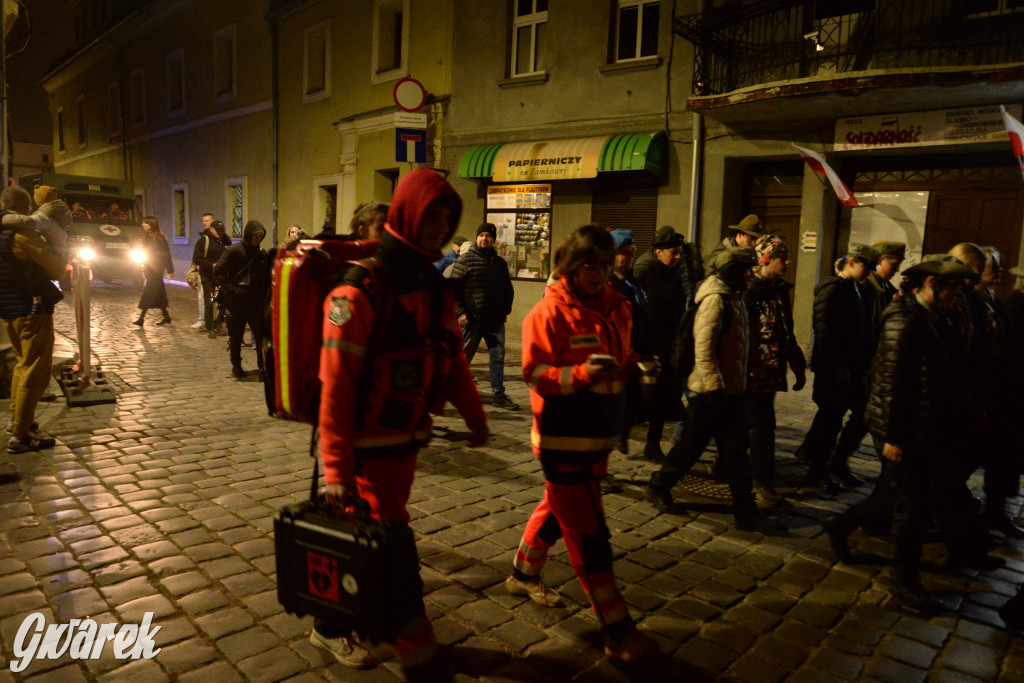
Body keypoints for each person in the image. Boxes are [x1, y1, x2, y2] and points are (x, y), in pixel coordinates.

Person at [313, 168, 488, 680]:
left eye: (446, 216)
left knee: (361, 544)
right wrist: (336, 471)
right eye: (430, 214)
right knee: (392, 550)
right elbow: (337, 385)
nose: (438, 226)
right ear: (408, 212)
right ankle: (420, 654)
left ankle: (328, 623)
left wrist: (475, 418)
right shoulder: (359, 288)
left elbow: (451, 360)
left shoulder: (433, 284)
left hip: (405, 445)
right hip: (366, 451)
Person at [509, 225, 657, 664]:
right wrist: (581, 375)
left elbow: (620, 354)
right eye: (589, 264)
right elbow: (535, 374)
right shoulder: (548, 313)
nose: (599, 272)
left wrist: (637, 365)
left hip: (600, 437)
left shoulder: (619, 306)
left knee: (558, 509)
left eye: (605, 262)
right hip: (561, 439)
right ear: (569, 265)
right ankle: (617, 631)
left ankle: (522, 571)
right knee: (589, 534)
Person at [855, 255, 998, 612]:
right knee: (910, 507)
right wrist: (893, 437)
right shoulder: (904, 321)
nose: (957, 295)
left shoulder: (937, 316)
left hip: (929, 429)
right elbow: (891, 383)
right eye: (953, 287)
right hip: (904, 431)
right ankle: (903, 584)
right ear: (932, 283)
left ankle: (845, 530)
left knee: (911, 500)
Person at [645, 247, 779, 533]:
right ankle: (658, 485)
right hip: (710, 392)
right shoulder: (715, 300)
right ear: (730, 271)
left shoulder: (735, 296)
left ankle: (745, 511)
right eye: (745, 270)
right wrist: (716, 386)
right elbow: (704, 350)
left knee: (736, 454)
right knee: (689, 449)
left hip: (729, 391)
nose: (749, 275)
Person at [798, 243, 879, 489]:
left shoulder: (858, 289)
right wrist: (833, 369)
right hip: (834, 369)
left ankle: (828, 462)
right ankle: (816, 471)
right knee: (829, 420)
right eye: (866, 266)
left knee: (855, 415)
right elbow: (824, 333)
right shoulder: (832, 289)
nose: (869, 272)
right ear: (852, 262)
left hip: (853, 369)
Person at [744, 235, 806, 508]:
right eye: (783, 256)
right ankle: (761, 482)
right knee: (761, 426)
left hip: (771, 370)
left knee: (752, 424)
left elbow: (786, 330)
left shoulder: (778, 290)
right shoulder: (749, 291)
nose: (789, 261)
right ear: (765, 258)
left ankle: (727, 466)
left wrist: (796, 362)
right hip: (754, 372)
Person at [0, 186, 62, 452]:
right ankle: (21, 434)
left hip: (8, 308)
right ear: (25, 208)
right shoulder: (22, 234)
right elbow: (55, 266)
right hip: (31, 307)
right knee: (34, 369)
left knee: (21, 365)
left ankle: (17, 420)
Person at [450, 223, 519, 410]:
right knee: (464, 358)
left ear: (493, 239)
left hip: (496, 320)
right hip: (472, 320)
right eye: (481, 235)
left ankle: (499, 394)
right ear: (476, 237)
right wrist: (460, 312)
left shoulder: (499, 264)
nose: (484, 238)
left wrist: (505, 309)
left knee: (497, 358)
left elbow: (508, 289)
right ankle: (456, 392)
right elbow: (453, 290)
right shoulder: (465, 260)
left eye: (488, 236)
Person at [632, 227, 685, 461]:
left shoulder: (672, 271)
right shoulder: (644, 271)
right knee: (645, 397)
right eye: (673, 253)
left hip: (669, 343)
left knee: (663, 397)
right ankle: (621, 433)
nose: (677, 257)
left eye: (679, 253)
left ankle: (652, 444)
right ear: (658, 251)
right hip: (650, 344)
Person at [607, 228, 652, 457]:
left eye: (632, 251)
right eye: (625, 251)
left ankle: (622, 434)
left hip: (634, 349)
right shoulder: (607, 283)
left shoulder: (631, 279)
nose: (630, 256)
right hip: (617, 354)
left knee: (634, 400)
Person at [1, 185, 70, 314]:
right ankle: (37, 302)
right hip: (26, 309)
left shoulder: (3, 229)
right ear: (25, 206)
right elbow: (57, 270)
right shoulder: (25, 234)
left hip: (5, 309)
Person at [214, 220, 268, 379]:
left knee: (260, 336)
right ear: (248, 234)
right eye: (255, 235)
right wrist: (233, 290)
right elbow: (218, 272)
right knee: (236, 335)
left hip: (255, 302)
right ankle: (236, 366)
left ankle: (262, 368)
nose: (257, 239)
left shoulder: (261, 254)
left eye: (260, 236)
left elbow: (264, 277)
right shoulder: (233, 251)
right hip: (237, 301)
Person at [192, 219, 232, 338]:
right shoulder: (204, 240)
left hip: (222, 276)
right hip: (207, 276)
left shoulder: (225, 240)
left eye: (222, 230)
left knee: (223, 301)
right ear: (211, 230)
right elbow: (197, 258)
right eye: (217, 230)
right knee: (209, 301)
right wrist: (211, 264)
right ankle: (210, 328)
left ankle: (218, 323)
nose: (220, 232)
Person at [132, 216, 174, 326]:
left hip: (156, 268)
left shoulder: (160, 238)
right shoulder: (147, 236)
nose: (142, 224)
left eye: (145, 222)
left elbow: (166, 254)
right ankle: (166, 316)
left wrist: (170, 270)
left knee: (149, 291)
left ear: (151, 224)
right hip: (148, 267)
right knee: (159, 292)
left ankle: (141, 318)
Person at [867, 241, 906, 327]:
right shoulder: (865, 285)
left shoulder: (885, 286)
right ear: (879, 261)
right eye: (894, 265)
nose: (897, 270)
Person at [192, 213, 217, 329]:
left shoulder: (220, 237)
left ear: (213, 221)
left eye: (207, 220)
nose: (204, 223)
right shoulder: (203, 238)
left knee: (217, 298)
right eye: (203, 221)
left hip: (217, 272)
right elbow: (197, 257)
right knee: (203, 297)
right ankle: (203, 319)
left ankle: (216, 320)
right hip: (206, 272)